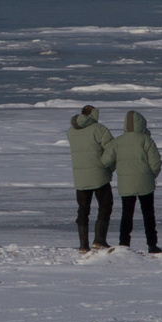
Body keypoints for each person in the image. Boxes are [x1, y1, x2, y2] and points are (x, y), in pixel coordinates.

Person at [102, 109, 162, 253]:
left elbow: (105, 161)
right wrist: (150, 177)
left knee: (127, 214)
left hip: (126, 183)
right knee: (149, 214)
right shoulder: (146, 140)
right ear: (141, 124)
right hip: (145, 183)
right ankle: (152, 245)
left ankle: (124, 243)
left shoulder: (117, 141)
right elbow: (156, 163)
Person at [67, 104, 115, 252]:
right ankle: (99, 240)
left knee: (83, 210)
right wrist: (107, 166)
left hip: (80, 177)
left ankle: (83, 245)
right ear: (93, 114)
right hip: (99, 174)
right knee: (105, 206)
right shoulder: (99, 129)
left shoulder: (71, 131)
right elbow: (112, 150)